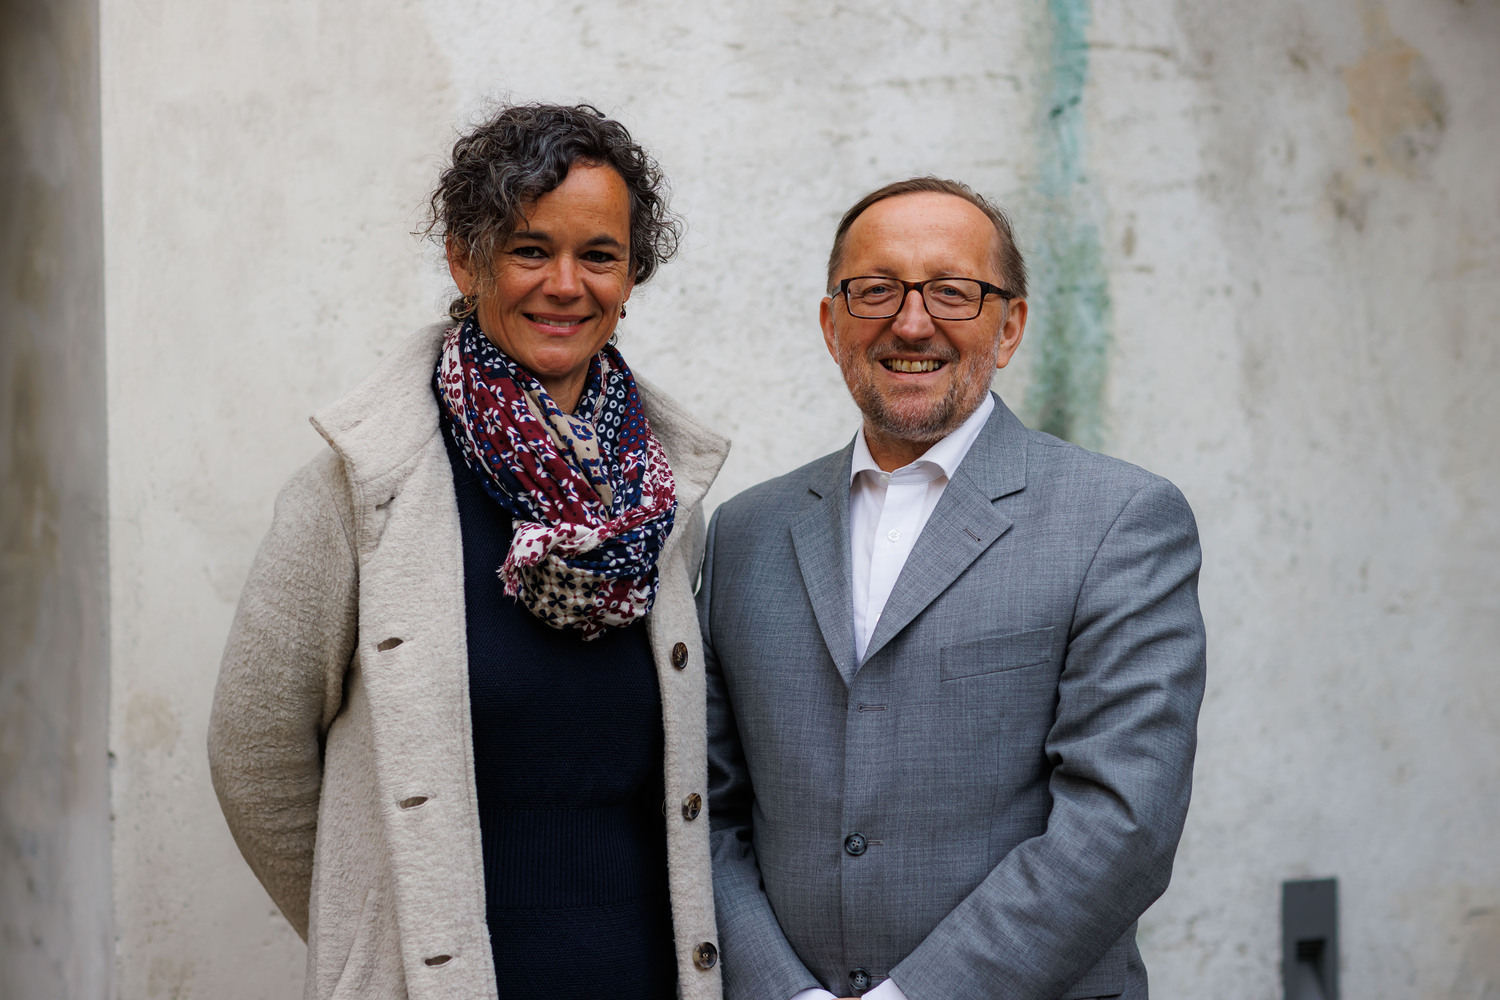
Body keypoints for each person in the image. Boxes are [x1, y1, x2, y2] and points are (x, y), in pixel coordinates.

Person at [208, 103, 729, 1000]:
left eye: (598, 255)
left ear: (631, 276)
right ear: (466, 258)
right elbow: (254, 757)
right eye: (530, 249)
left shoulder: (663, 501)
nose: (564, 284)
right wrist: (376, 932)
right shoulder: (358, 490)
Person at [700, 177, 1207, 1000]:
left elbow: (1122, 825)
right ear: (831, 324)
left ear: (1010, 327)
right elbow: (704, 808)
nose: (911, 322)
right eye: (876, 290)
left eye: (952, 292)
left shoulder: (1119, 520)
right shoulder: (745, 532)